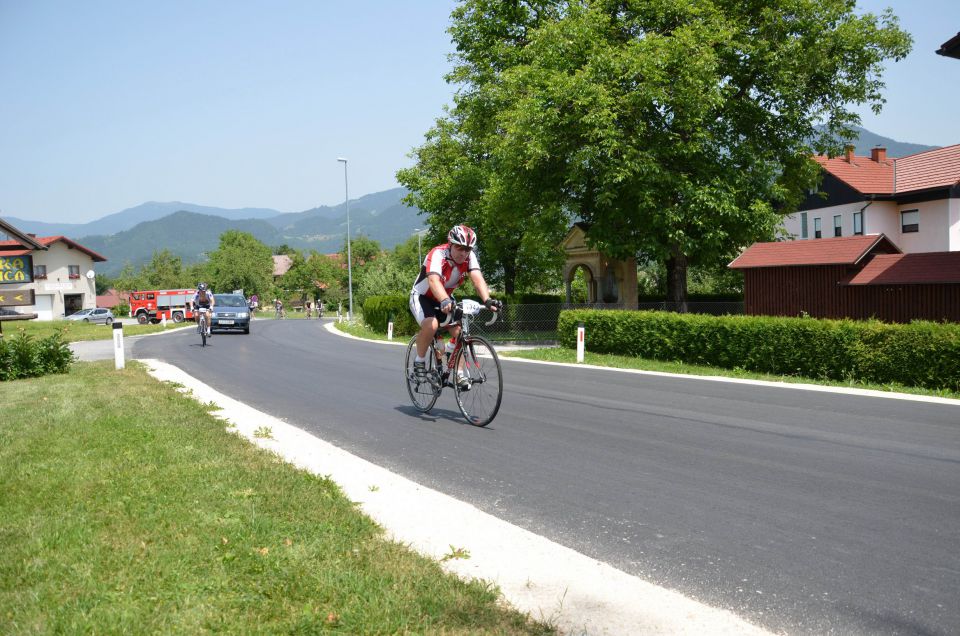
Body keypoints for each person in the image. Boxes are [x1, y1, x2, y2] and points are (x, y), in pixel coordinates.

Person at [409, 224, 501, 387]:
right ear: (450, 244)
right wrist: (445, 300)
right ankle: (419, 362)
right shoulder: (438, 254)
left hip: (444, 297)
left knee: (460, 332)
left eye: (467, 249)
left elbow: (477, 278)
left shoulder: (469, 257)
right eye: (460, 248)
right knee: (432, 325)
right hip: (423, 296)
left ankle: (459, 372)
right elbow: (433, 281)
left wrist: (487, 300)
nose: (464, 253)